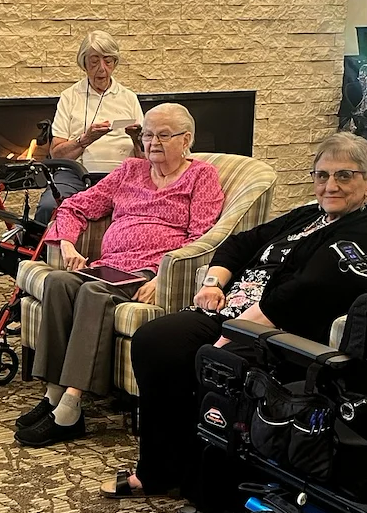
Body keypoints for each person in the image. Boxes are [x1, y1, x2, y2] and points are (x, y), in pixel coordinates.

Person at [113, 133, 367, 497]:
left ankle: (210, 488)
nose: (330, 186)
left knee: (217, 361)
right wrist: (214, 283)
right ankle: (159, 468)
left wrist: (236, 331)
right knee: (155, 340)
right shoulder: (309, 215)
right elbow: (240, 242)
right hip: (230, 311)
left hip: (279, 333)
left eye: (344, 175)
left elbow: (308, 289)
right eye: (322, 175)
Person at [15, 103, 224, 447]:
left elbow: (201, 238)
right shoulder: (130, 170)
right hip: (109, 266)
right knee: (58, 281)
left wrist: (162, 277)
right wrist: (67, 244)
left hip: (148, 271)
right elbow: (76, 205)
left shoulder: (201, 176)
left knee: (93, 293)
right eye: (148, 135)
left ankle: (70, 409)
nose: (153, 142)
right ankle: (53, 394)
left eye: (164, 135)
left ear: (186, 139)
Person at [48, 30, 145, 174]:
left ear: (115, 63)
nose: (102, 68)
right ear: (84, 64)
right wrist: (85, 139)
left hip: (122, 175)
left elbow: (146, 157)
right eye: (94, 62)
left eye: (108, 61)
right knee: (56, 190)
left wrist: (136, 139)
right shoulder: (69, 96)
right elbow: (56, 155)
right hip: (77, 175)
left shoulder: (129, 98)